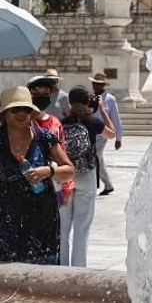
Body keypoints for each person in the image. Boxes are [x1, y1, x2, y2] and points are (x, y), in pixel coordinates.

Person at [0, 86, 74, 264]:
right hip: (8, 224)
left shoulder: (44, 138)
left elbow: (69, 171)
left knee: (43, 275)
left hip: (43, 221)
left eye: (26, 109)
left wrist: (48, 171)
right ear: (5, 114)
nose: (21, 113)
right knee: (8, 276)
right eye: (15, 109)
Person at [59, 85, 114, 266]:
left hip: (65, 175)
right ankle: (79, 267)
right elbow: (111, 133)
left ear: (70, 102)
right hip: (86, 174)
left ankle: (61, 266)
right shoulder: (93, 122)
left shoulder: (62, 123)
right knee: (82, 226)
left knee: (63, 226)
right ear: (88, 101)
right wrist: (102, 110)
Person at [88, 73, 123, 196]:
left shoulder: (110, 99)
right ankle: (108, 185)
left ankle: (93, 185)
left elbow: (116, 119)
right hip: (91, 133)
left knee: (95, 158)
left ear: (103, 85)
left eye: (98, 84)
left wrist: (118, 138)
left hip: (103, 134)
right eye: (94, 84)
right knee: (99, 160)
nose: (96, 86)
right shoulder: (90, 98)